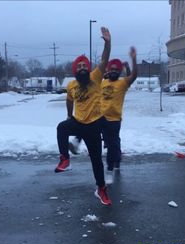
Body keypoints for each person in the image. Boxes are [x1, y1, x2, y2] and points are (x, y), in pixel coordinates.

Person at [55, 26, 112, 206]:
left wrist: (108, 43)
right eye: (78, 66)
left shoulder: (95, 77)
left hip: (94, 126)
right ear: (75, 70)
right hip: (78, 122)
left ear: (88, 68)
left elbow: (104, 60)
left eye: (84, 66)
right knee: (62, 128)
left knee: (96, 161)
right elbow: (69, 100)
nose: (81, 68)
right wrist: (68, 116)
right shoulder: (71, 85)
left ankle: (101, 189)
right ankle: (65, 159)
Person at [100, 47, 138, 180]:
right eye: (112, 69)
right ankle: (77, 141)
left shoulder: (122, 83)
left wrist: (133, 59)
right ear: (108, 70)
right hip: (100, 118)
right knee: (87, 127)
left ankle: (111, 168)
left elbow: (132, 76)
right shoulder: (103, 82)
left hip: (114, 120)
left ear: (119, 71)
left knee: (112, 144)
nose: (114, 71)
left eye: (117, 70)